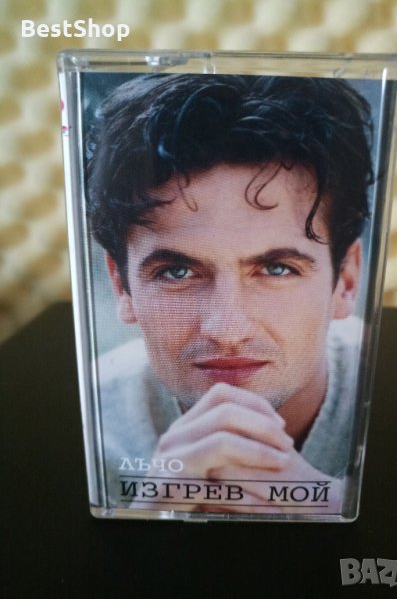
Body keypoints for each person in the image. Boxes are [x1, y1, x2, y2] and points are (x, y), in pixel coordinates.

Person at [86, 74, 374, 514]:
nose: (227, 330)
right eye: (177, 272)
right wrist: (143, 519)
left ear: (346, 281)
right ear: (121, 285)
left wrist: (336, 506)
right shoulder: (86, 424)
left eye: (276, 269)